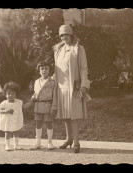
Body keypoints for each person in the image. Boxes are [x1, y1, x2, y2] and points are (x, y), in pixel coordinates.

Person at [52, 25, 91, 153]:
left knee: (74, 116)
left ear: (71, 35)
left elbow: (83, 68)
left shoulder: (79, 49)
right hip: (61, 87)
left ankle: (76, 142)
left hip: (74, 86)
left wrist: (84, 86)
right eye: (62, 35)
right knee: (65, 116)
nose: (64, 37)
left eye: (66, 35)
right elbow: (59, 69)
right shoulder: (58, 50)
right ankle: (69, 139)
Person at [30, 60, 57, 150]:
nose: (44, 71)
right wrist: (33, 97)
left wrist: (53, 106)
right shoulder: (37, 81)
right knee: (38, 123)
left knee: (48, 123)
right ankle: (38, 142)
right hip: (38, 104)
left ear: (49, 70)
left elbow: (55, 95)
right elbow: (36, 92)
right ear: (39, 70)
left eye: (46, 68)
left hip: (48, 104)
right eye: (42, 69)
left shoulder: (52, 81)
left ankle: (50, 142)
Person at [0, 81, 31, 151]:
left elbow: (24, 106)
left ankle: (16, 145)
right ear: (5, 94)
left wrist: (32, 101)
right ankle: (7, 145)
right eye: (8, 93)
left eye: (12, 93)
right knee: (7, 133)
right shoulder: (4, 103)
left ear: (16, 94)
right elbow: (0, 111)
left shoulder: (19, 102)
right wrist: (6, 111)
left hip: (16, 119)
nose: (10, 95)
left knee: (16, 132)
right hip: (7, 121)